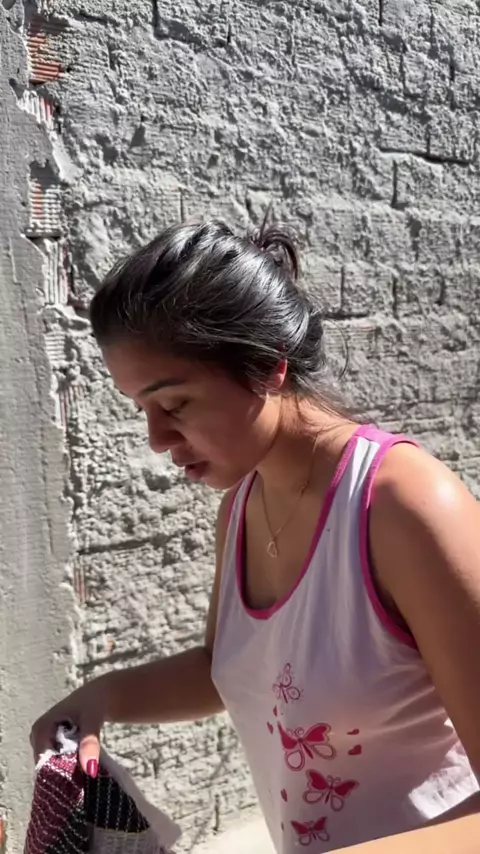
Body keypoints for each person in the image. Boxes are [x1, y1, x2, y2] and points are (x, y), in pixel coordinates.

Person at [31, 219, 480, 854]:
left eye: (175, 404)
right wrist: (97, 700)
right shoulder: (242, 506)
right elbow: (233, 669)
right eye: (142, 410)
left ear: (268, 367)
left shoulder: (404, 505)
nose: (156, 439)